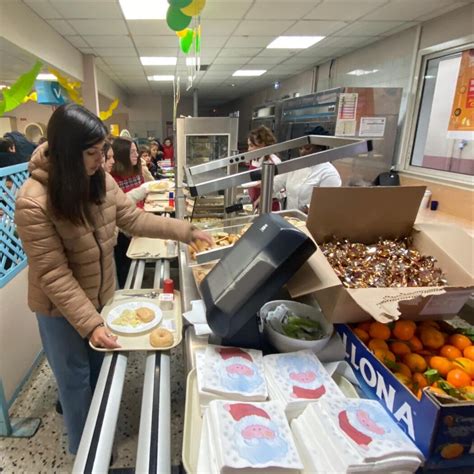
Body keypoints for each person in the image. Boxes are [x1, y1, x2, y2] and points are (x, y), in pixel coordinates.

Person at [14, 103, 212, 455]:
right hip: (59, 311)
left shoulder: (98, 181)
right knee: (75, 381)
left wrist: (185, 230)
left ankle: (98, 427)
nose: (99, 160)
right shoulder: (34, 201)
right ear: (66, 152)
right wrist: (90, 325)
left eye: (102, 151)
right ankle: (86, 452)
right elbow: (53, 274)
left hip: (101, 295)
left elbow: (133, 221)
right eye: (91, 153)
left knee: (97, 368)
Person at [273, 141, 342, 213]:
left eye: (308, 148)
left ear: (320, 149)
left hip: (313, 220)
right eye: (300, 148)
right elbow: (276, 184)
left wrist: (299, 212)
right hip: (290, 218)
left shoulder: (329, 173)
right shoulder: (294, 166)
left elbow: (325, 203)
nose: (302, 152)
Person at [246, 126, 281, 212]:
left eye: (251, 146)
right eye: (248, 146)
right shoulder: (254, 159)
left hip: (270, 205)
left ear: (263, 145)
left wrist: (262, 197)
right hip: (255, 202)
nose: (248, 149)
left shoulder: (274, 161)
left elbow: (278, 187)